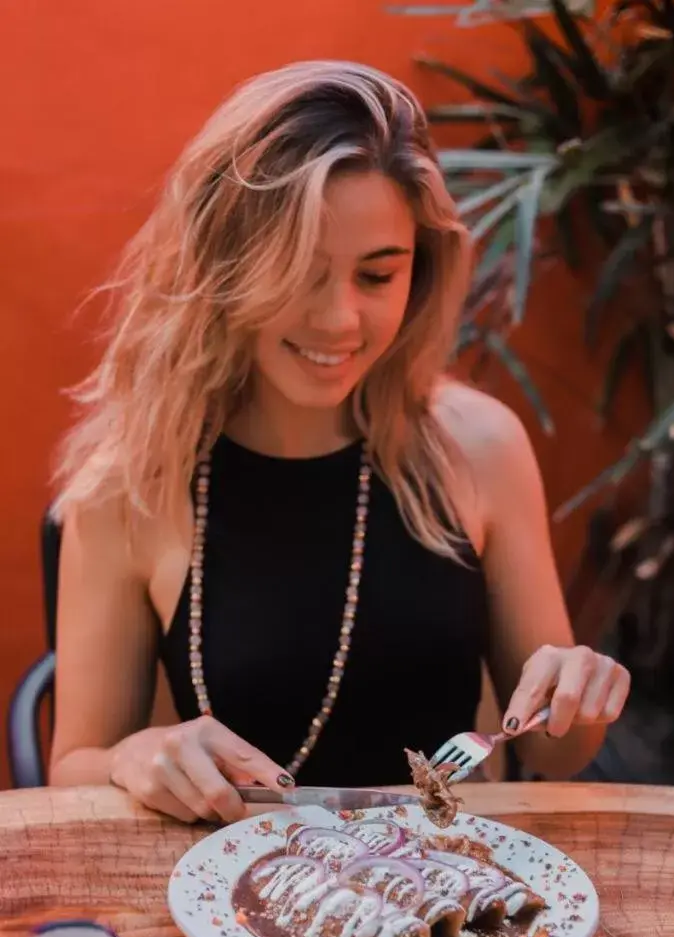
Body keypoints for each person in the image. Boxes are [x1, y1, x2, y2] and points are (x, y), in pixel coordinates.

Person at [49, 60, 630, 825]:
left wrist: (577, 692)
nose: (339, 321)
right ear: (225, 266)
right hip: (234, 904)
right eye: (300, 272)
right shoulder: (131, 482)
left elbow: (557, 753)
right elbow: (72, 770)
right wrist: (131, 757)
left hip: (448, 905)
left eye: (376, 275)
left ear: (418, 273)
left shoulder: (479, 444)